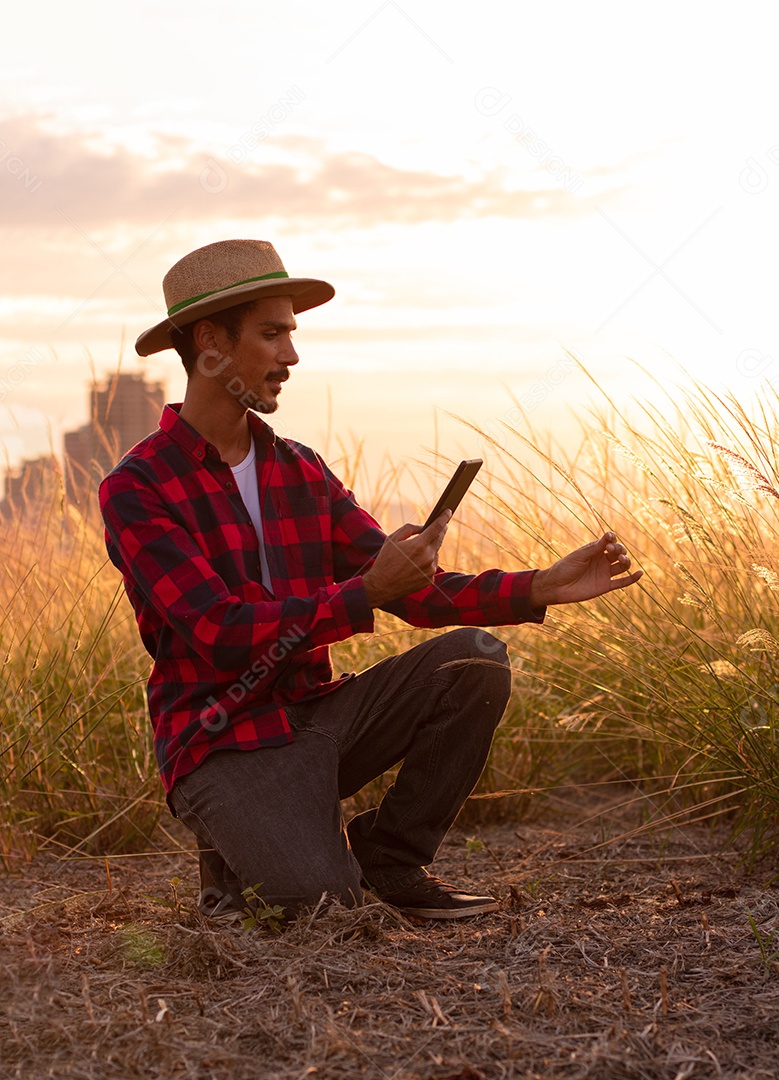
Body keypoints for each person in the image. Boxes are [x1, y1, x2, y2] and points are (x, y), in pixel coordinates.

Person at [99, 239, 642, 922]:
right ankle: (234, 846)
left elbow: (409, 589)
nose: (291, 357)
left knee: (472, 661)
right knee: (324, 908)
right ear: (209, 342)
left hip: (317, 718)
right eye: (272, 334)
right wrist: (363, 594)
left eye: (291, 335)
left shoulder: (300, 469)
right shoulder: (137, 487)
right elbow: (218, 631)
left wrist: (537, 588)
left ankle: (390, 855)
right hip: (221, 742)